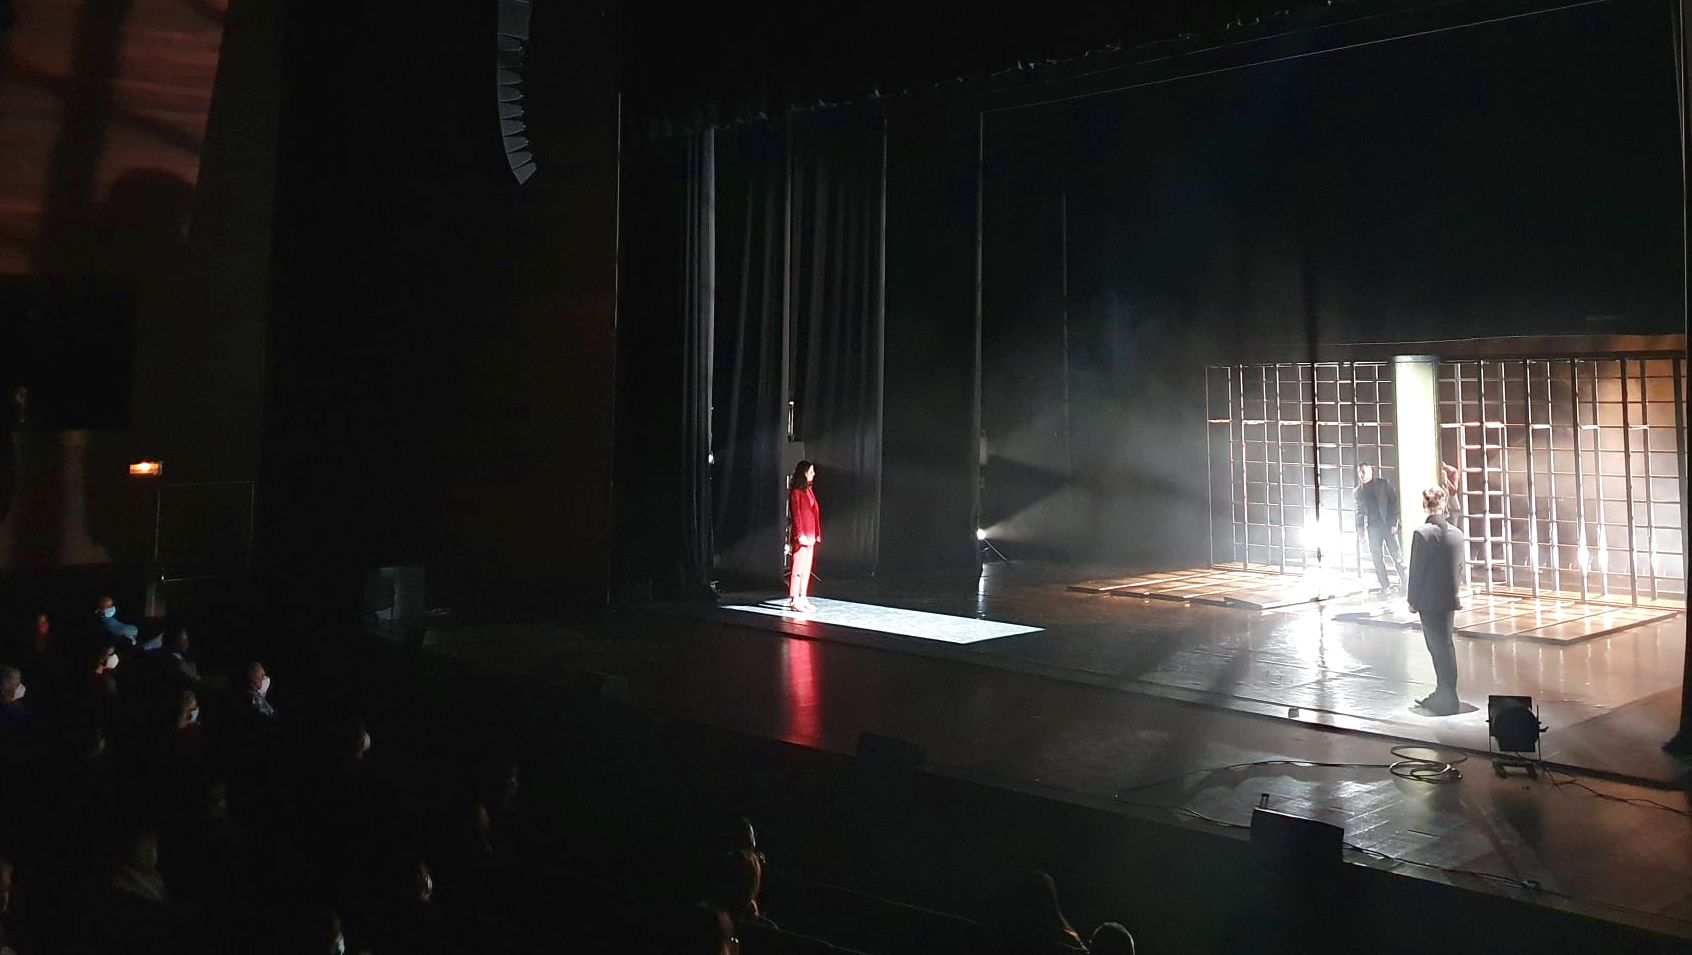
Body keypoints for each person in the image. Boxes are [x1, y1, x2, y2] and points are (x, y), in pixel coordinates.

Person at [1407, 485, 1466, 716]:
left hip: (1429, 601)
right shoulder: (1457, 534)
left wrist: (1412, 599)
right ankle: (1447, 692)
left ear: (1425, 504)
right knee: (1446, 645)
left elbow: (1417, 570)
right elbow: (1459, 568)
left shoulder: (1422, 534)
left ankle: (1445, 695)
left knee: (1436, 647)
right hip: (1449, 598)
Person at [1354, 464, 1405, 594]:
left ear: (1371, 471)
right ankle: (1385, 586)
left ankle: (1406, 584)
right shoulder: (1358, 491)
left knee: (1397, 557)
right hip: (1372, 528)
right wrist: (1361, 533)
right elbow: (1359, 513)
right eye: (1360, 472)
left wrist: (1394, 522)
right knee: (1377, 558)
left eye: (1364, 472)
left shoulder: (1383, 484)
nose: (1361, 475)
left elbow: (1394, 502)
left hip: (1387, 525)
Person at [787, 460, 821, 613]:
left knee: (807, 568)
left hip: (811, 534)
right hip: (802, 535)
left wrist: (817, 534)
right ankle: (794, 598)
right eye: (811, 472)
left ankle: (803, 596)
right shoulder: (796, 492)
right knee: (798, 568)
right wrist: (799, 534)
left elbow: (815, 513)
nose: (813, 475)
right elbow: (796, 516)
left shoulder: (809, 490)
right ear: (804, 473)